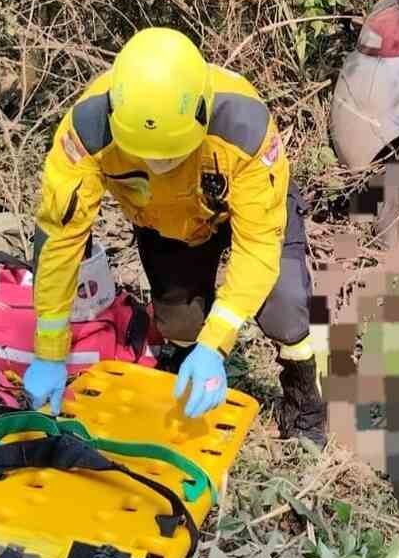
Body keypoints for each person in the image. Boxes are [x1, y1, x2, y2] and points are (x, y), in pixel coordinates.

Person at [20, 26, 326, 447]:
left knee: (285, 305)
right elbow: (60, 238)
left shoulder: (245, 127)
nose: (158, 165)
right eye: (143, 156)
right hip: (165, 223)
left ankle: (305, 398)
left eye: (171, 154)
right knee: (179, 321)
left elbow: (257, 245)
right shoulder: (87, 133)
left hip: (247, 210)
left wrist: (217, 345)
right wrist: (49, 351)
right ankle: (185, 378)